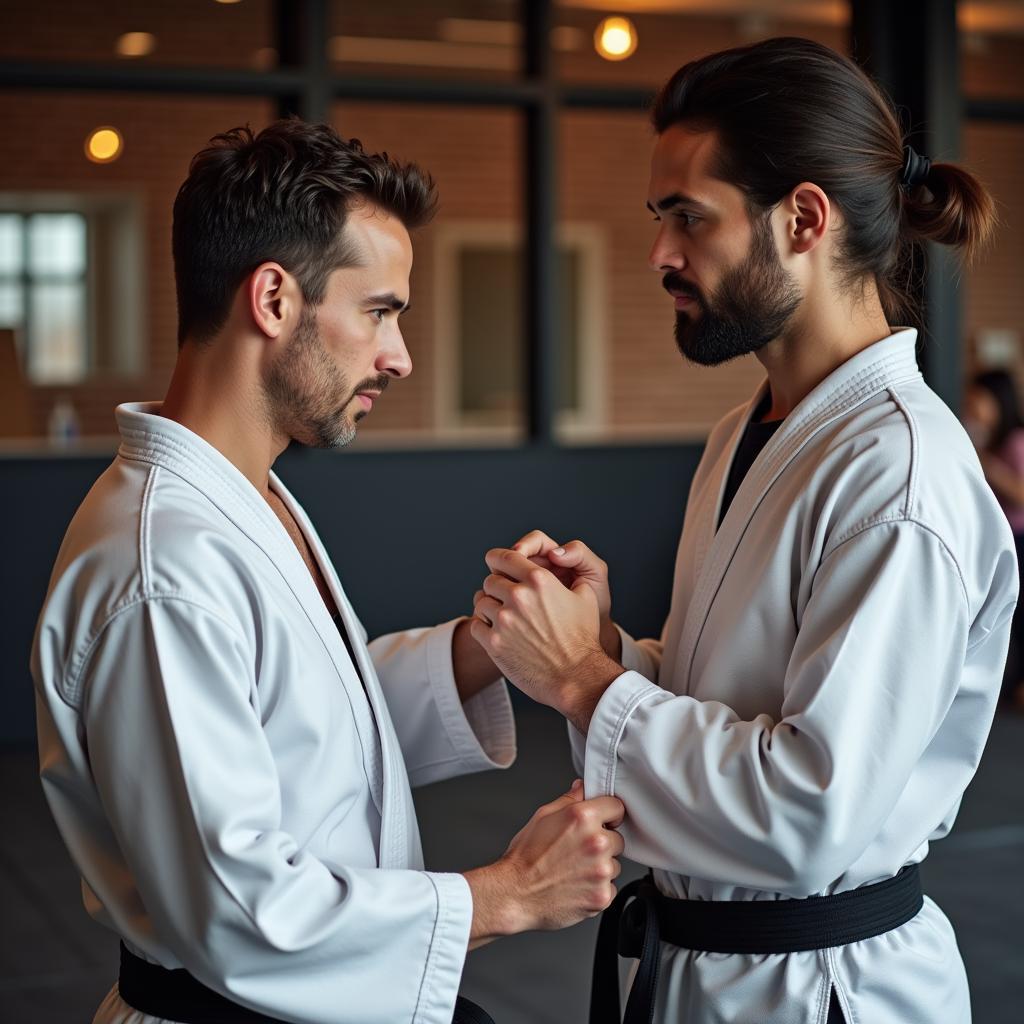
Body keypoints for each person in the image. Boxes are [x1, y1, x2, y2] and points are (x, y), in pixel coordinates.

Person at [469, 36, 1016, 1024]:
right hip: (704, 969)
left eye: (689, 217)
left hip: (823, 987)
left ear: (803, 218)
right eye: (657, 218)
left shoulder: (898, 469)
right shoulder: (744, 432)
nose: (659, 254)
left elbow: (808, 808)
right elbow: (732, 696)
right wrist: (607, 649)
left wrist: (583, 683)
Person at [30, 119, 626, 1024]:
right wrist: (510, 893)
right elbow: (236, 909)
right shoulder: (163, 566)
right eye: (380, 312)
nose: (401, 355)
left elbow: (291, 720)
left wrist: (487, 647)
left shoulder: (243, 495)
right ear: (274, 299)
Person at [964, 368, 1024, 706]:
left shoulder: (1015, 441)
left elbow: (1020, 494)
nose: (972, 408)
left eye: (979, 401)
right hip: (1001, 540)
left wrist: (983, 460)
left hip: (1019, 538)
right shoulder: (994, 442)